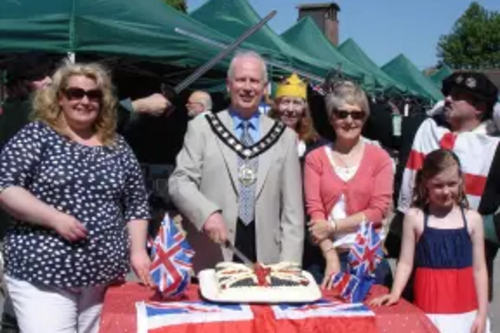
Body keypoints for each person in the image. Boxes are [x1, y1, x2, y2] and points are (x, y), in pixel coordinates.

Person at [0, 62, 152, 333]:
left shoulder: (116, 144)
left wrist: (139, 251)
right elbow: (6, 187)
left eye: (93, 95)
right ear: (60, 97)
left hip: (103, 278)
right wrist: (53, 217)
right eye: (76, 93)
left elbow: (137, 203)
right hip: (44, 273)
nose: (85, 100)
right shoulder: (37, 136)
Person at [168, 51, 304, 272]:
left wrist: (289, 267)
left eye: (254, 81)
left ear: (265, 87)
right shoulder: (202, 128)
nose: (248, 87)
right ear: (229, 84)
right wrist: (206, 213)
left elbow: (293, 212)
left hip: (266, 261)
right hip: (213, 255)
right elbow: (179, 181)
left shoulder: (284, 137)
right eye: (241, 80)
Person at [388, 72, 500, 302]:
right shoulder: (420, 128)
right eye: (448, 93)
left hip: (467, 259)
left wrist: (490, 228)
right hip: (418, 256)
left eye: (458, 96)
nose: (447, 99)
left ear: (479, 107)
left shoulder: (495, 147)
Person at [371, 149, 490, 333]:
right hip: (427, 309)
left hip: (467, 312)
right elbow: (405, 263)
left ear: (460, 180)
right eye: (438, 185)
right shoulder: (415, 217)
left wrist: (482, 314)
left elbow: (480, 269)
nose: (446, 191)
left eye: (451, 184)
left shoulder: (473, 219)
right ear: (425, 182)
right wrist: (395, 293)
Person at [304, 81, 394, 288]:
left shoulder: (380, 158)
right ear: (331, 117)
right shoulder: (315, 158)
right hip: (326, 257)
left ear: (365, 118)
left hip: (368, 258)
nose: (349, 120)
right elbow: (315, 214)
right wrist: (331, 256)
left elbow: (377, 212)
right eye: (342, 114)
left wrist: (332, 226)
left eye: (357, 114)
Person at [268, 73, 326, 159]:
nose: (290, 109)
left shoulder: (314, 143)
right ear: (277, 106)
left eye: (296, 103)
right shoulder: (264, 135)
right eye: (286, 102)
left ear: (304, 108)